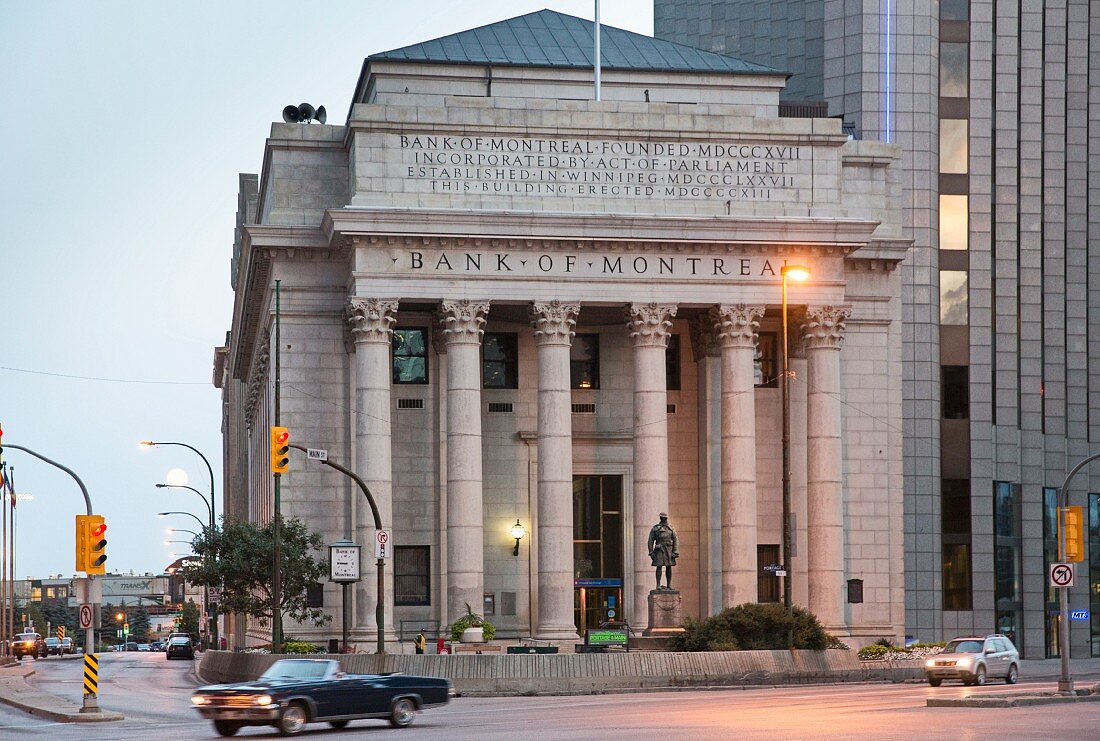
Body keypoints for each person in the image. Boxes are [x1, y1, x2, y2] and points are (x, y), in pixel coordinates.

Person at [647, 512, 678, 590]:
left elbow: (675, 540)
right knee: (659, 567)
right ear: (660, 518)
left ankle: (669, 585)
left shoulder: (671, 528)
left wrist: (675, 551)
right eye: (662, 517)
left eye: (665, 518)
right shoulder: (656, 528)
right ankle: (658, 585)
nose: (664, 519)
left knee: (669, 567)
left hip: (669, 550)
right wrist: (651, 551)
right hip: (659, 549)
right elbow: (650, 540)